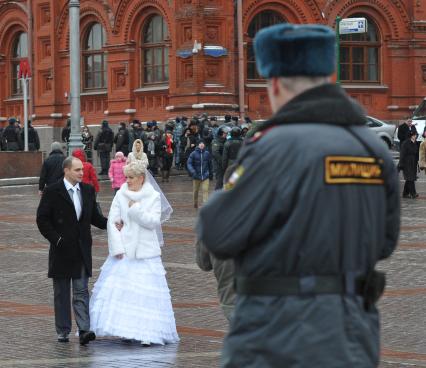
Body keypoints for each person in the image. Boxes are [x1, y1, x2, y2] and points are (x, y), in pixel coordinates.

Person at [196, 23, 400, 367]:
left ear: (275, 83)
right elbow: (385, 242)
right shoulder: (372, 149)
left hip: (277, 336)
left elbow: (218, 233)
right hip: (354, 334)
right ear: (327, 75)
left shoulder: (272, 147)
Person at [89, 160, 179, 345]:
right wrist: (117, 248)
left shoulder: (152, 196)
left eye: (131, 177)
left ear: (141, 178)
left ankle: (147, 333)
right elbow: (113, 222)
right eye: (126, 177)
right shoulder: (121, 194)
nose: (127, 181)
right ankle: (127, 331)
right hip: (125, 253)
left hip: (146, 253)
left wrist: (135, 209)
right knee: (125, 294)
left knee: (146, 295)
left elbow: (153, 222)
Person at [36, 156, 107, 345]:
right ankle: (63, 330)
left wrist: (113, 224)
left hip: (82, 250)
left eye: (82, 170)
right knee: (62, 293)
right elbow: (42, 219)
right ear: (66, 170)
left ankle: (84, 330)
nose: (81, 173)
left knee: (81, 291)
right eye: (77, 170)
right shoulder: (53, 191)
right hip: (61, 251)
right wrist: (57, 240)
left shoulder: (88, 190)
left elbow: (95, 218)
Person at [187, 141, 213, 209]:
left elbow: (210, 164)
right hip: (196, 175)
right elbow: (189, 163)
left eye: (203, 144)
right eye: (200, 144)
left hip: (205, 175)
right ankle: (195, 202)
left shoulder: (207, 153)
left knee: (205, 190)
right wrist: (192, 171)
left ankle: (206, 205)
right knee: (195, 191)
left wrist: (211, 173)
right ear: (198, 145)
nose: (202, 145)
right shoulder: (193, 153)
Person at [399, 130, 419, 198]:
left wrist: (418, 161)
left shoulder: (416, 143)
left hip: (413, 162)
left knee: (410, 178)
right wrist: (401, 164)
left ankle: (405, 193)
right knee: (410, 178)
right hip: (407, 162)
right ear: (411, 135)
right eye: (414, 135)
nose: (415, 136)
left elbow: (416, 153)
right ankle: (413, 193)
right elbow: (402, 154)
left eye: (416, 135)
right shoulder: (405, 143)